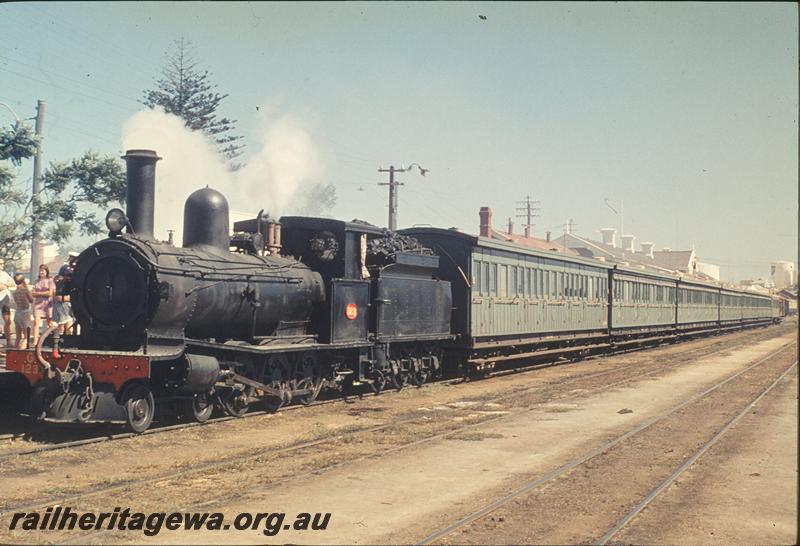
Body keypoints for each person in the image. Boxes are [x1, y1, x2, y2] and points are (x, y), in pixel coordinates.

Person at [54, 252, 78, 335]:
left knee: (70, 322)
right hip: (64, 299)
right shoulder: (65, 267)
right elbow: (60, 280)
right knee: (62, 324)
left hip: (72, 297)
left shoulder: (79, 267)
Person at [31, 264, 56, 347]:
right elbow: (33, 293)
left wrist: (39, 293)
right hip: (38, 304)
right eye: (40, 270)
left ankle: (53, 339)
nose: (41, 272)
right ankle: (35, 341)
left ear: (46, 271)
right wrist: (41, 293)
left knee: (50, 322)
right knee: (36, 322)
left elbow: (50, 293)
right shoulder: (36, 281)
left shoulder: (50, 281)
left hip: (47, 304)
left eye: (43, 270)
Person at [11, 274, 33, 349]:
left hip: (17, 312)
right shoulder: (25, 290)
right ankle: (21, 351)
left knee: (18, 336)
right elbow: (31, 300)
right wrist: (26, 286)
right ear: (23, 281)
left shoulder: (15, 291)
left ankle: (15, 352)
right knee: (26, 336)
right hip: (25, 312)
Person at [0, 257, 15, 348]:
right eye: (0, 264)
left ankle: (9, 341)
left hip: (5, 299)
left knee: (7, 321)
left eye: (2, 263)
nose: (2, 265)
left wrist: (4, 285)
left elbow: (13, 283)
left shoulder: (4, 274)